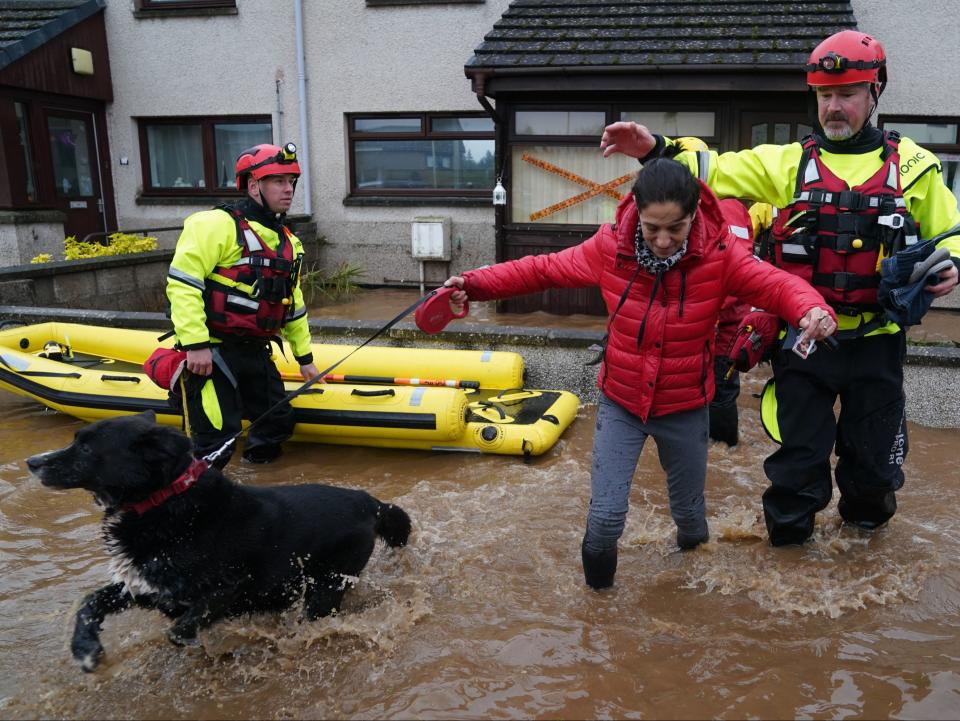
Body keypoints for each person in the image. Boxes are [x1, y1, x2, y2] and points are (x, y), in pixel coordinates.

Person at [600, 29, 960, 546]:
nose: (833, 107)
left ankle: (863, 555)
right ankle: (790, 560)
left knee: (873, 474)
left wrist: (953, 268)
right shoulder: (787, 163)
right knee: (796, 469)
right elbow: (713, 170)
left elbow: (952, 236)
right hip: (806, 343)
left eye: (847, 94)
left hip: (877, 342)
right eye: (824, 96)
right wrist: (655, 148)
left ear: (874, 93)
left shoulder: (917, 168)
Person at [443, 155, 837, 590]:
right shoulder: (609, 249)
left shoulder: (723, 256)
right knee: (605, 520)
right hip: (621, 402)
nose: (664, 241)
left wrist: (811, 310)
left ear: (694, 215)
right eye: (652, 229)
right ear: (637, 214)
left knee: (689, 517)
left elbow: (779, 285)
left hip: (686, 406)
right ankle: (599, 617)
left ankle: (688, 594)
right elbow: (540, 270)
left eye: (676, 228)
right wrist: (473, 284)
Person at [166, 142, 319, 466]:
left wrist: (304, 357)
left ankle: (257, 488)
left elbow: (293, 304)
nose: (288, 189)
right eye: (278, 181)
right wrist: (195, 344)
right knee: (216, 439)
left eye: (291, 181)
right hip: (212, 352)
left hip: (255, 351)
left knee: (277, 422)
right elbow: (183, 286)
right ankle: (201, 504)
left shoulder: (290, 243)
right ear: (253, 186)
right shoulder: (214, 225)